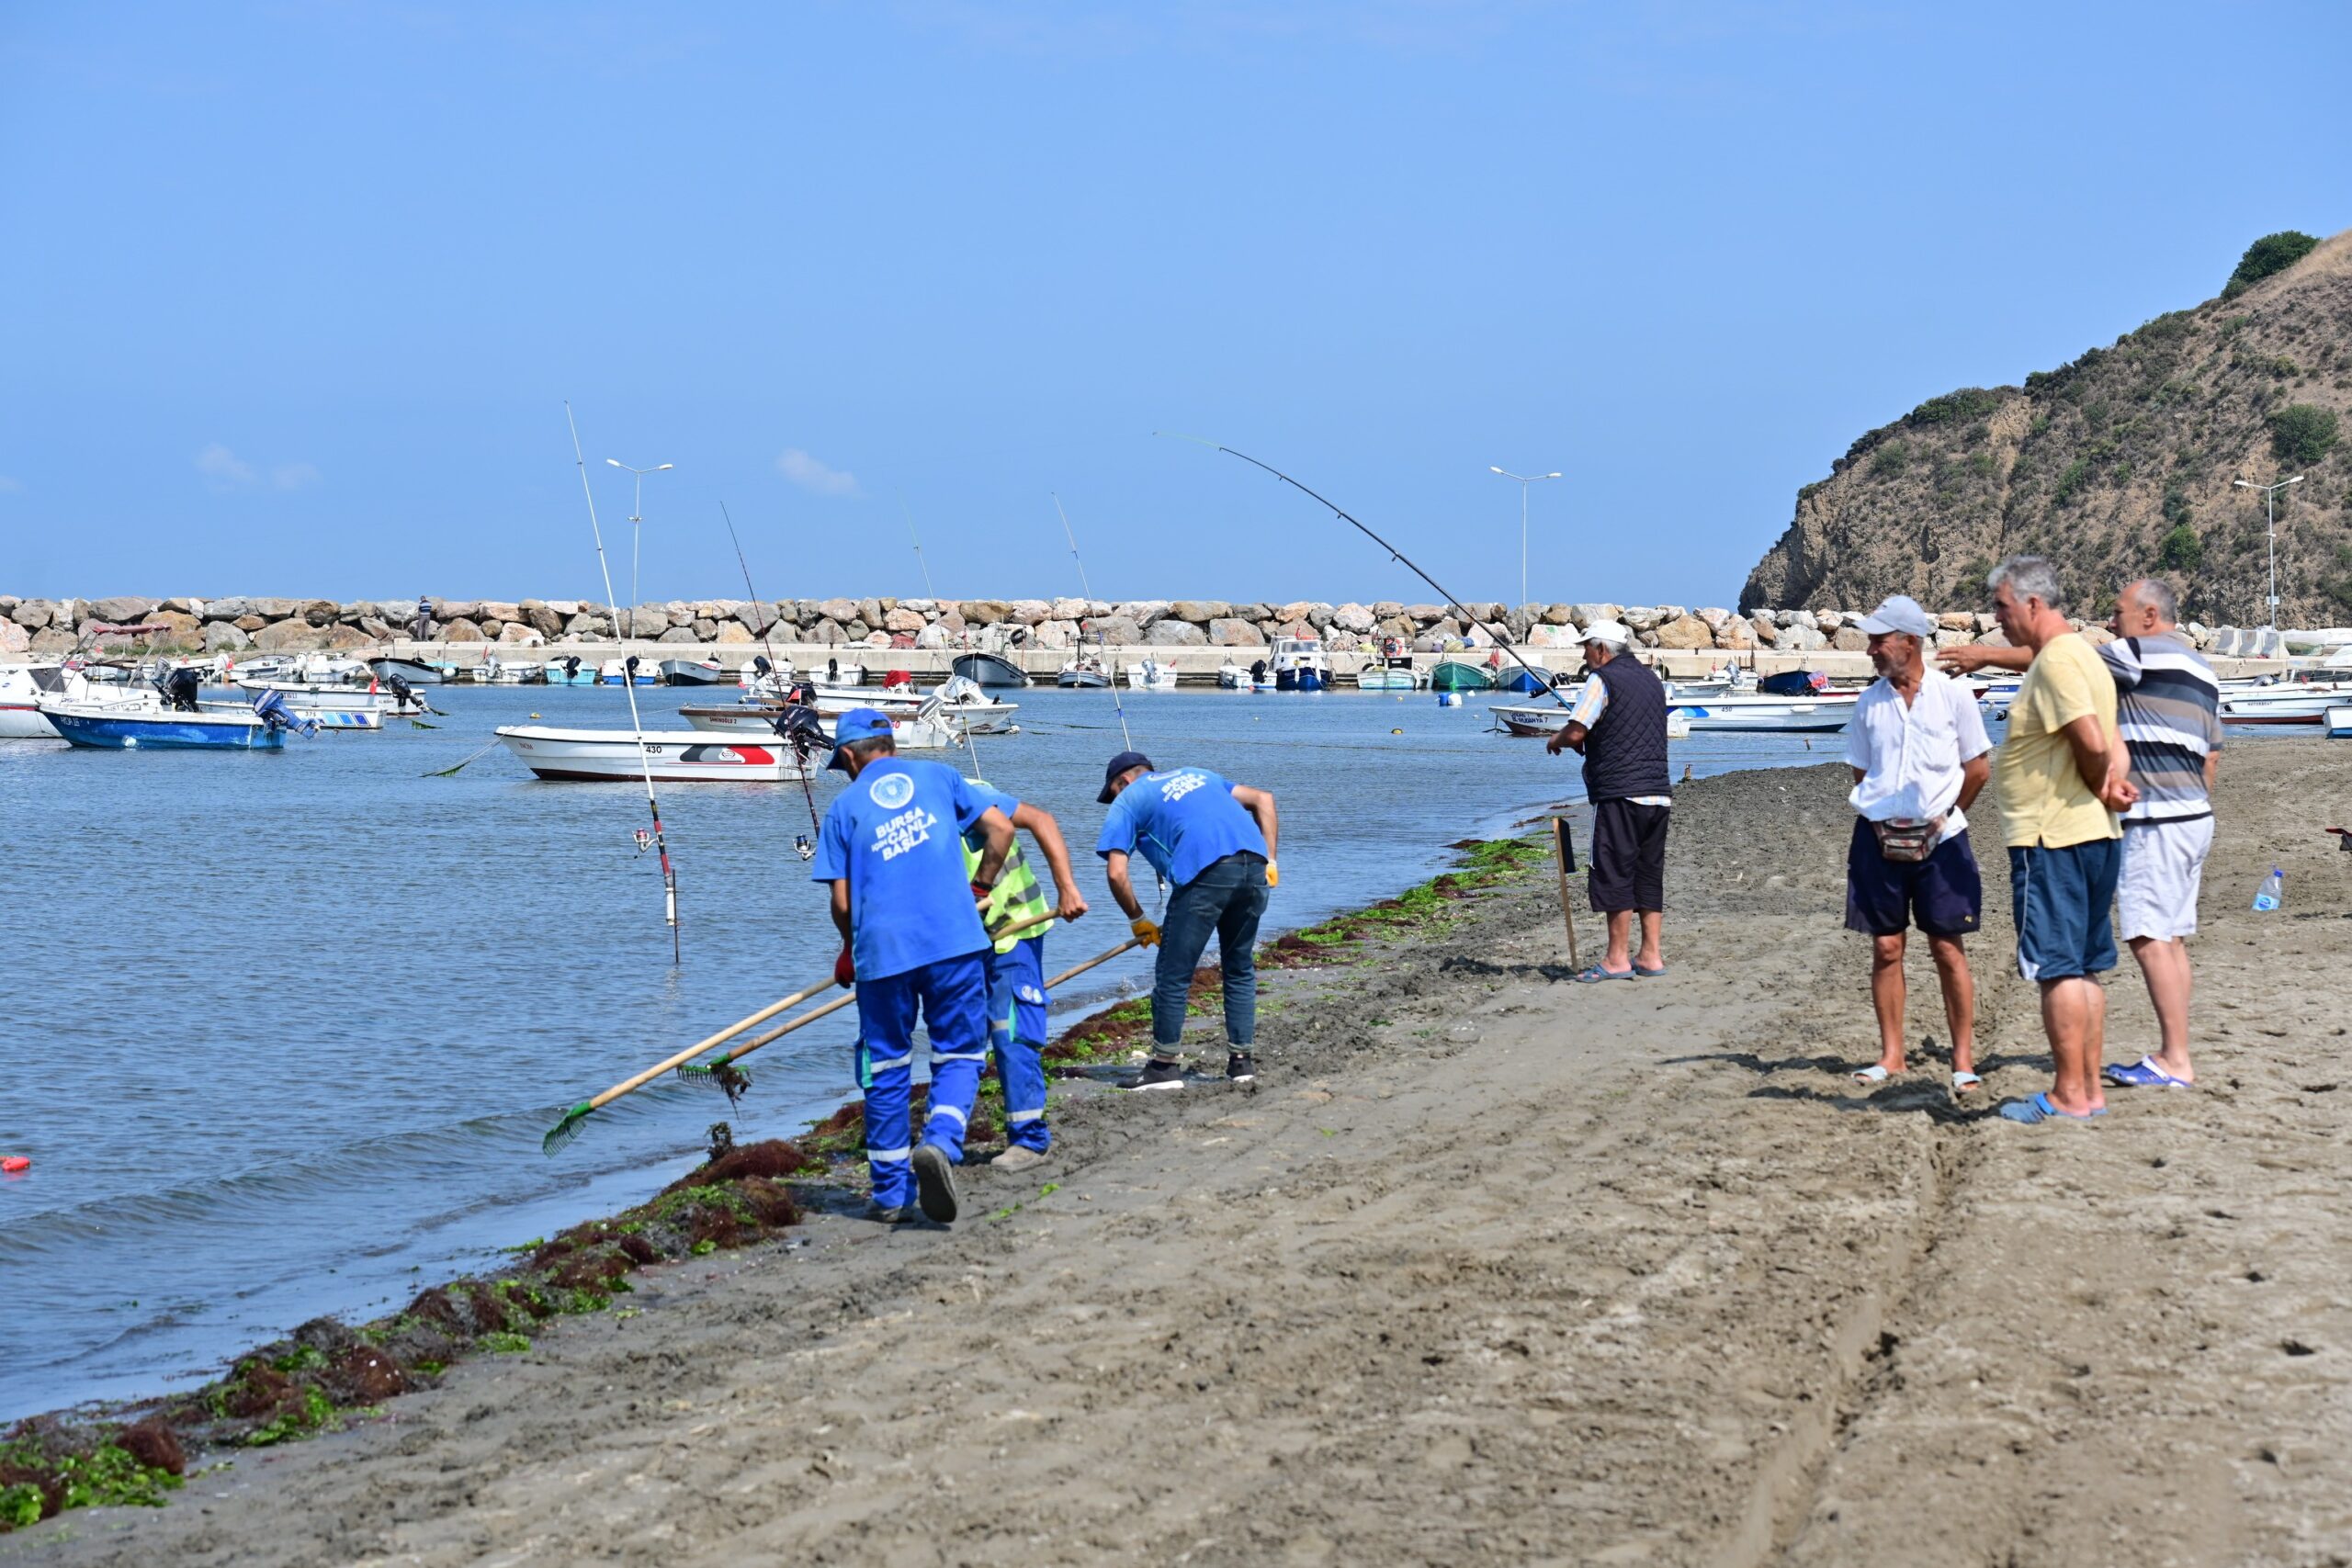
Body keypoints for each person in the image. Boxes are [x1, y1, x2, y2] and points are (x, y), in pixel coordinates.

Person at [1942, 577, 2221, 1089]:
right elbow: (2212, 754)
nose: (2110, 624)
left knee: (2149, 937)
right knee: (2171, 939)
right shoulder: (2200, 668)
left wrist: (1983, 656)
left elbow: (2060, 662)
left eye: (2117, 613)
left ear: (2150, 616)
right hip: (2195, 817)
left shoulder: (2136, 654)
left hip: (2155, 818)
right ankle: (2174, 1051)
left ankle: (2175, 1059)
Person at [811, 709, 1015, 1223]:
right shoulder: (941, 776)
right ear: (892, 745)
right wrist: (980, 888)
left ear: (852, 756)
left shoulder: (843, 808)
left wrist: (846, 948)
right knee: (961, 1053)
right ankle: (941, 1143)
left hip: (882, 955)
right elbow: (1002, 830)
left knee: (884, 1068)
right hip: (954, 942)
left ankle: (888, 1196)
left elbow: (841, 902)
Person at [1973, 558, 2138, 1124]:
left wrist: (2101, 784)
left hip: (2053, 839)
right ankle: (2087, 1092)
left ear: (2033, 605)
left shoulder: (2060, 663)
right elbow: (2115, 741)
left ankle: (2070, 1094)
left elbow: (2092, 739)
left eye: (2001, 606)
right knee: (2084, 967)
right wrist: (2113, 786)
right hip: (2090, 834)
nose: (1997, 619)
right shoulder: (2084, 657)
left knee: (2059, 969)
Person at [1842, 595, 1993, 1093]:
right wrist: (1885, 819)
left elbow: (1978, 769)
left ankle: (1963, 1059)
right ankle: (1892, 1055)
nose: (1870, 650)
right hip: (1877, 838)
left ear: (1909, 641)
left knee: (1947, 948)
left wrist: (1946, 819)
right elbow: (1864, 774)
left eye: (1878, 641)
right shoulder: (1868, 703)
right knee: (1886, 948)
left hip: (1943, 840)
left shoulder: (1953, 696)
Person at [1095, 750, 1279, 1091]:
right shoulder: (1199, 773)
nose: (1114, 801)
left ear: (1124, 781)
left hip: (1204, 872)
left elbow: (1116, 873)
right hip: (1253, 865)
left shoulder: (1129, 798)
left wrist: (1137, 919)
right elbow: (1262, 799)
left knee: (1173, 973)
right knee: (1238, 966)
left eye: (1113, 794)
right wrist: (1270, 860)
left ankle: (1164, 1068)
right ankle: (1241, 1063)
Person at [959, 780, 1090, 1170]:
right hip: (961, 939)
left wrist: (1066, 888)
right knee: (960, 1036)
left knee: (1011, 1029)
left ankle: (1029, 1140)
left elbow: (1040, 819)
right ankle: (946, 1136)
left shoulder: (965, 793)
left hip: (1014, 926)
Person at [1545, 620, 1671, 980]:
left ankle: (1616, 959)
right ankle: (1651, 957)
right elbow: (1626, 726)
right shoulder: (1651, 680)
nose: (1584, 655)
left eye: (1586, 648)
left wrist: (1557, 740)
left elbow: (1576, 729)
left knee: (1614, 870)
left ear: (1602, 650)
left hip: (1620, 792)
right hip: (1658, 792)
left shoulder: (1601, 679)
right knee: (1648, 873)